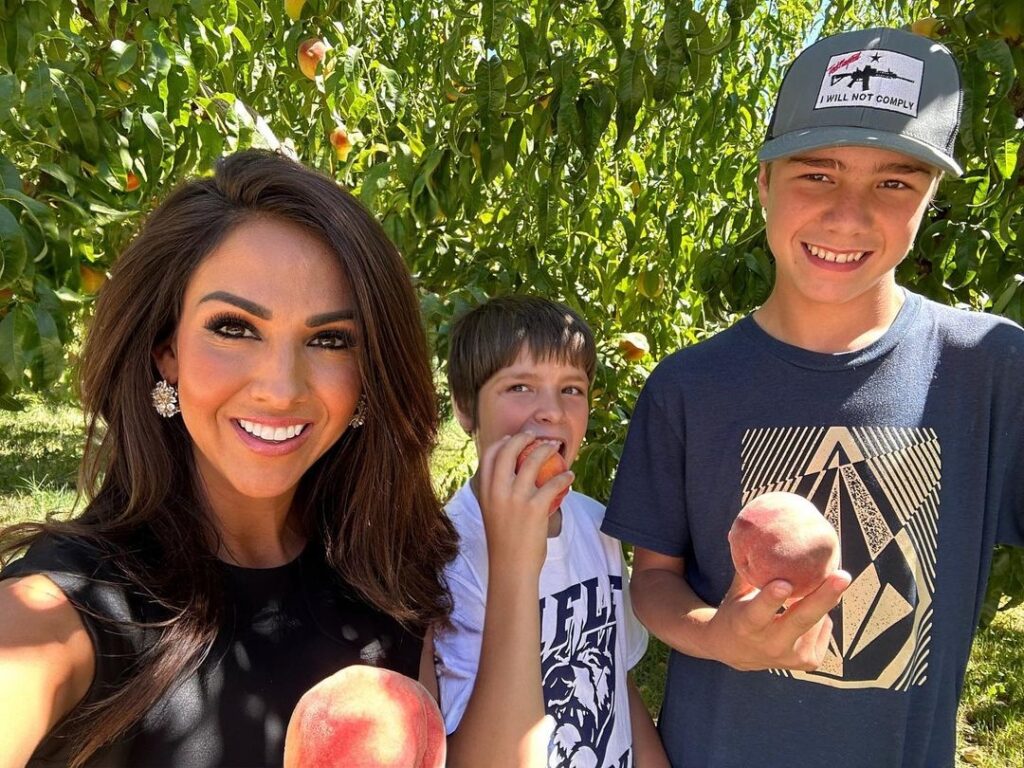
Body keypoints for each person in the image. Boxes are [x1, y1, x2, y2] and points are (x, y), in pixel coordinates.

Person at [601, 27, 1024, 768]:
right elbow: (654, 579)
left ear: (929, 198)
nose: (849, 214)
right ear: (763, 181)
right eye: (816, 174)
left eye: (894, 182)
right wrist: (716, 637)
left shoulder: (990, 368)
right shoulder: (689, 385)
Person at [0, 150, 459, 767]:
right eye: (235, 327)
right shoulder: (76, 607)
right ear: (167, 351)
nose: (281, 387)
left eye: (330, 339)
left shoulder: (385, 575)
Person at [433, 296, 668, 768]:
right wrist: (515, 559)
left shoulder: (597, 523)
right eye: (520, 386)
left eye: (572, 389)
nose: (552, 411)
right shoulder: (441, 556)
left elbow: (615, 677)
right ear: (464, 407)